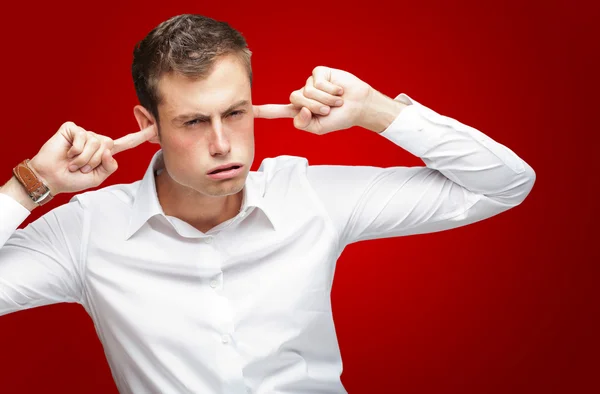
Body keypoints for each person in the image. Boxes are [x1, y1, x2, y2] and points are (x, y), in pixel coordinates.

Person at [0, 13, 535, 394]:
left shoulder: (309, 196)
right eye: (192, 121)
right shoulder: (90, 230)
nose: (222, 143)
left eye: (235, 113)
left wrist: (375, 111)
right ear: (148, 127)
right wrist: (29, 185)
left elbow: (503, 184)